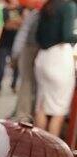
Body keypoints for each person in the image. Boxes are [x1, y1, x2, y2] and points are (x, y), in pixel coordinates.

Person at [34, 0, 77, 136]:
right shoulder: (69, 6)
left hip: (42, 57)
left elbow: (37, 36)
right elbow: (67, 35)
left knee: (41, 107)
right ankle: (52, 153)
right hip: (59, 59)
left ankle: (37, 148)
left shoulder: (48, 4)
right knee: (58, 113)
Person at [10, 8, 40, 121]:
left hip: (30, 50)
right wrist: (16, 53)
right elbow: (23, 33)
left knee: (26, 84)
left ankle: (23, 116)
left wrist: (16, 53)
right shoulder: (35, 14)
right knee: (28, 85)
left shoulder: (35, 13)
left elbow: (23, 32)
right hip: (32, 51)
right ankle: (24, 116)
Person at [0, 0, 23, 95]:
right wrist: (16, 23)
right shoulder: (3, 11)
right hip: (3, 44)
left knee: (17, 67)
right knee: (0, 67)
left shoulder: (21, 9)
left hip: (16, 44)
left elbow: (23, 23)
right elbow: (6, 25)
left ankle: (14, 85)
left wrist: (14, 23)